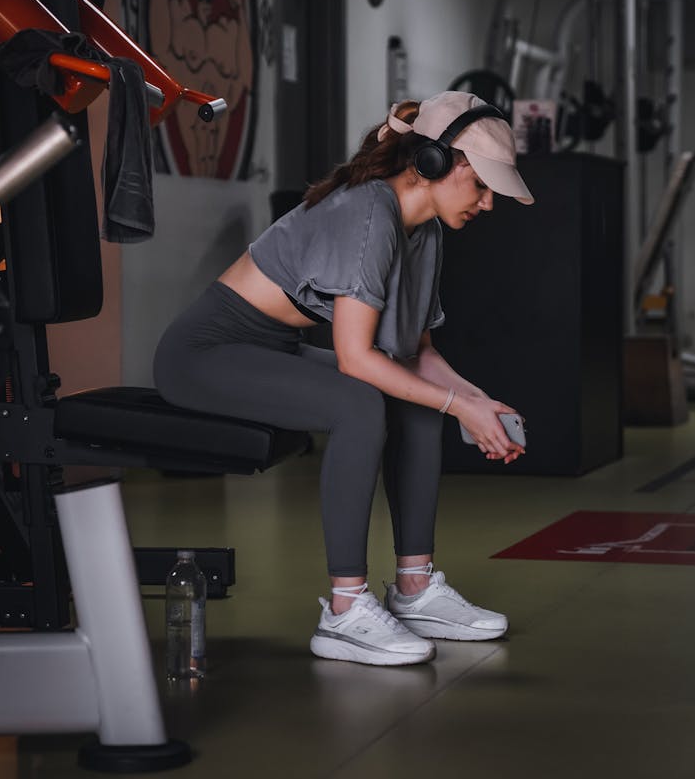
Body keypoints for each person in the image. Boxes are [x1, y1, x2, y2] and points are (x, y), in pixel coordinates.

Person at [153, 90, 534, 667]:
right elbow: (357, 361)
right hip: (205, 355)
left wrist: (477, 401)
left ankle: (414, 588)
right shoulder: (367, 214)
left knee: (416, 402)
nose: (488, 204)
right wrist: (461, 406)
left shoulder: (424, 229)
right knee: (359, 402)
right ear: (434, 165)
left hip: (269, 350)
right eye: (481, 185)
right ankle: (344, 610)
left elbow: (414, 353)